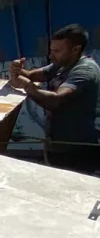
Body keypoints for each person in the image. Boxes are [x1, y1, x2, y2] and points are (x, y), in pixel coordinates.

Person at [9, 25, 100, 167]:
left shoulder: (85, 70)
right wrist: (17, 69)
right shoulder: (62, 64)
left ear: (76, 49)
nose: (51, 56)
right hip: (59, 146)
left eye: (57, 51)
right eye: (51, 50)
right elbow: (31, 75)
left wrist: (27, 86)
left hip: (78, 151)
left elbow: (56, 101)